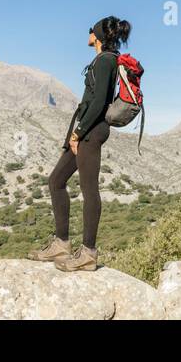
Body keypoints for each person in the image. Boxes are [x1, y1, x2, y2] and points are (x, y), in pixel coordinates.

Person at [28, 16, 131, 272]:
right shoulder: (101, 60)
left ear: (97, 35)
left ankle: (88, 254)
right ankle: (61, 244)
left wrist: (79, 132)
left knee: (89, 191)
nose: (88, 33)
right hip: (84, 130)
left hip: (92, 132)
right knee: (56, 181)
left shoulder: (106, 60)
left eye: (90, 30)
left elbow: (97, 104)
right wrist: (76, 132)